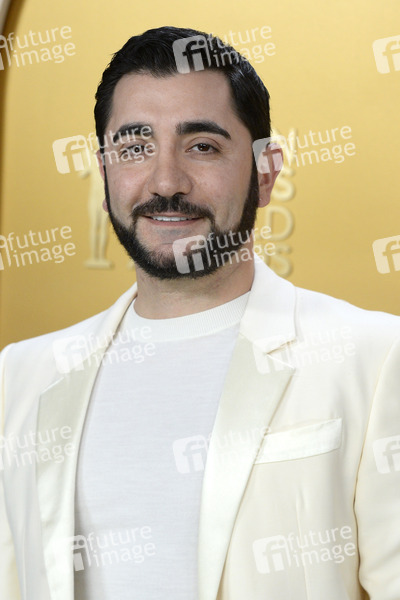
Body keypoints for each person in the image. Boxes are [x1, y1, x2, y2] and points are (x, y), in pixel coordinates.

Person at [1, 25, 399, 600]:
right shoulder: (21, 375)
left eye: (202, 146)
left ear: (266, 171)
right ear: (104, 171)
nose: (166, 181)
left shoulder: (376, 358)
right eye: (135, 148)